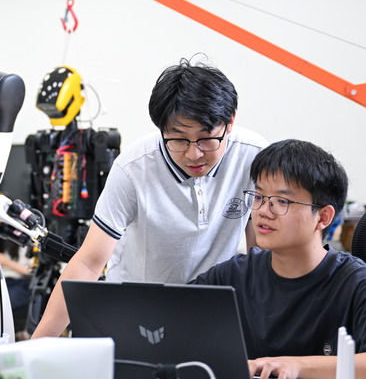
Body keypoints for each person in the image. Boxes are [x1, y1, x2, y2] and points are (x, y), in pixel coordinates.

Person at [32, 58, 267, 338]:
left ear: (230, 123)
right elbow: (88, 263)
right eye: (179, 139)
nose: (193, 154)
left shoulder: (255, 158)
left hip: (213, 313)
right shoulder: (133, 169)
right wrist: (37, 346)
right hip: (138, 313)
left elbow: (261, 257)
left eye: (206, 139)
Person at [191, 139, 366, 379]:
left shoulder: (358, 282)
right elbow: (171, 319)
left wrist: (295, 366)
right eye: (258, 197)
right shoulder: (235, 274)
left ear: (323, 217)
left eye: (282, 201)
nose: (263, 211)